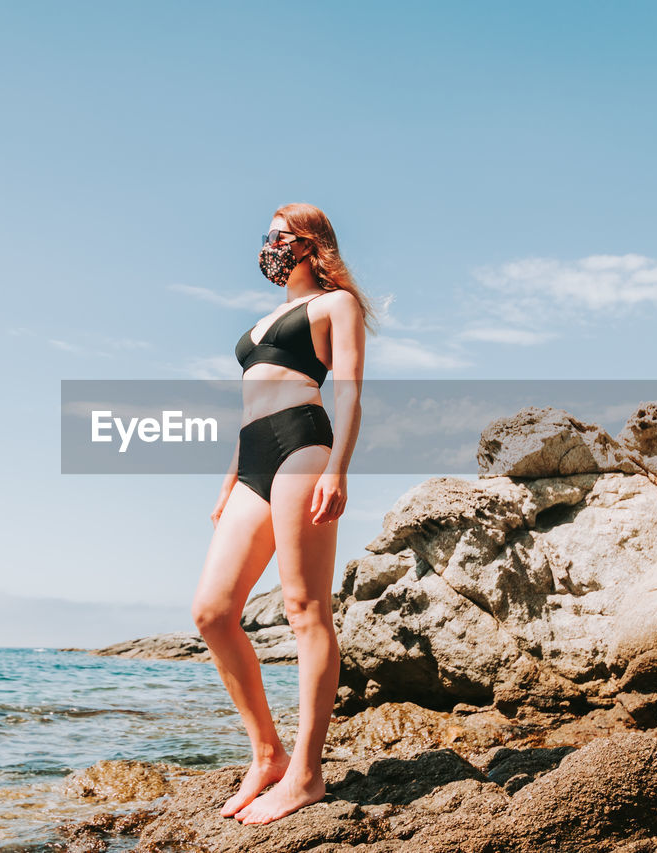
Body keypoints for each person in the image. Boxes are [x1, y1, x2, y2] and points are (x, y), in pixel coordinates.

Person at [191, 202, 374, 825]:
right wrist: (227, 482)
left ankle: (306, 773)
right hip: (253, 457)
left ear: (308, 243)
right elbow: (249, 404)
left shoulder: (334, 304)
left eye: (278, 235)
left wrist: (339, 468)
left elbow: (347, 386)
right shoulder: (265, 316)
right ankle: (266, 754)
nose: (268, 244)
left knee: (305, 609)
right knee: (213, 611)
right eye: (266, 234)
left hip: (303, 441)